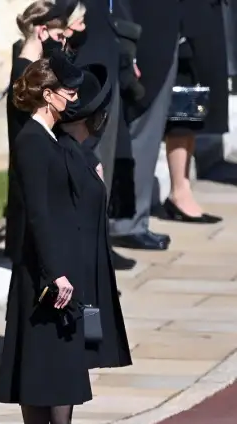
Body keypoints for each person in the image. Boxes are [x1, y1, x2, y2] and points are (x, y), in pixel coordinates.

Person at [0, 52, 87, 424]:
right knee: (38, 367)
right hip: (43, 274)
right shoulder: (31, 139)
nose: (74, 98)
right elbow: (37, 213)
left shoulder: (52, 136)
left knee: (60, 362)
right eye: (68, 91)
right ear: (48, 95)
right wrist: (55, 273)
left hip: (61, 266)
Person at [56, 63, 133, 424]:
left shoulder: (83, 156)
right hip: (69, 271)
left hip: (86, 267)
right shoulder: (64, 153)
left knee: (78, 356)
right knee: (65, 357)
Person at [109, 0, 181, 251]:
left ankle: (129, 220)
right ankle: (126, 223)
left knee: (144, 131)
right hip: (139, 32)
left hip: (154, 29)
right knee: (140, 131)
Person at [6, 1, 72, 265]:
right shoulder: (25, 71)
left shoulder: (33, 67)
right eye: (59, 36)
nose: (62, 43)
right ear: (42, 31)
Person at [158, 2, 227, 224]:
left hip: (202, 16)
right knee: (184, 103)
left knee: (193, 104)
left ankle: (182, 187)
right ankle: (179, 190)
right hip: (182, 20)